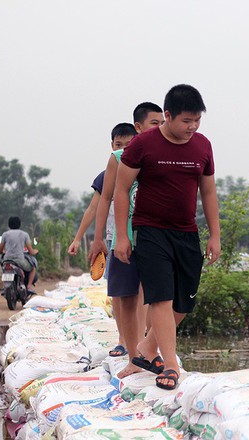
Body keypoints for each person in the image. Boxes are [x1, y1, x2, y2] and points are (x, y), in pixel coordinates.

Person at [114, 85, 220, 390]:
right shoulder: (143, 144)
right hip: (150, 230)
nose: (192, 127)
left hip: (186, 233)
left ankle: (145, 352)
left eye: (197, 120)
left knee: (184, 303)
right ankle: (170, 364)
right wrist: (123, 235)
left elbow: (209, 191)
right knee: (160, 295)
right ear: (168, 116)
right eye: (186, 121)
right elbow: (121, 190)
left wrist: (215, 235)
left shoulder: (202, 146)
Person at [88, 103, 165, 365]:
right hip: (125, 239)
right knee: (127, 297)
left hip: (155, 238)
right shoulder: (119, 159)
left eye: (163, 122)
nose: (162, 127)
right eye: (156, 123)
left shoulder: (162, 156)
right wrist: (98, 239)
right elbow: (106, 198)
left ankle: (148, 347)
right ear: (139, 127)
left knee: (160, 298)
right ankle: (133, 355)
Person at [68, 122, 137, 356]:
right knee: (118, 293)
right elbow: (93, 208)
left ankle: (138, 339)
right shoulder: (106, 175)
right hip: (114, 238)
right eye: (119, 145)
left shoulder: (145, 169)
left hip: (141, 237)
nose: (124, 150)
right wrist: (79, 238)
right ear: (112, 146)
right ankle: (122, 339)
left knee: (140, 293)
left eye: (129, 145)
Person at [0, 216, 39, 292]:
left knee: (5, 270)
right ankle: (29, 286)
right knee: (33, 268)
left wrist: (4, 252)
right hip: (19, 260)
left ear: (9, 224)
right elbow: (31, 251)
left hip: (7, 260)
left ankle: (5, 287)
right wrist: (35, 251)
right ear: (19, 224)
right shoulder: (24, 234)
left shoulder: (5, 234)